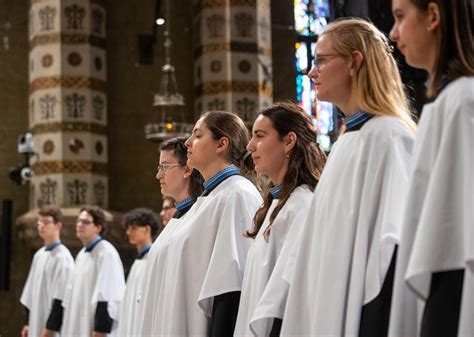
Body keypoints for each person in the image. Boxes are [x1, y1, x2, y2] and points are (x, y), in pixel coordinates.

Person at [261, 18, 416, 337]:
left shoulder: (389, 136)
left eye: (320, 60)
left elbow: (393, 249)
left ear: (354, 62)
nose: (311, 71)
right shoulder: (348, 141)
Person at [388, 1, 474, 336]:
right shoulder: (449, 102)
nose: (393, 34)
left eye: (400, 17)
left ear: (433, 16)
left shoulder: (461, 103)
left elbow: (456, 245)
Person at [138, 111, 262, 336]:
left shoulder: (237, 193)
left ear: (221, 144)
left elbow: (233, 286)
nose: (187, 142)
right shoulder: (206, 201)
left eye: (197, 135)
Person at [233, 102, 326, 336]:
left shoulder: (302, 204)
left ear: (289, 141)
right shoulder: (277, 203)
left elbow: (288, 294)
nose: (250, 145)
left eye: (260, 136)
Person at [137, 137, 204, 334]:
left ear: (187, 169)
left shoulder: (198, 218)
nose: (158, 175)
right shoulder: (177, 220)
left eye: (165, 167)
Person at [61, 206, 125, 337]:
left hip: (96, 330)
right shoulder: (81, 255)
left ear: (98, 227)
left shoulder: (106, 253)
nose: (79, 225)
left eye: (85, 222)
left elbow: (107, 295)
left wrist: (100, 330)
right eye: (78, 221)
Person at [20, 207, 74, 337]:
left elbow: (61, 298)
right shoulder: (39, 255)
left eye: (46, 222)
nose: (41, 226)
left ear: (58, 226)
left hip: (52, 329)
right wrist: (27, 323)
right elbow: (30, 293)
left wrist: (50, 328)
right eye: (39, 222)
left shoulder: (63, 258)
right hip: (35, 324)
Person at [117, 208, 160, 337]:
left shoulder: (153, 258)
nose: (128, 232)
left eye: (133, 228)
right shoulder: (138, 260)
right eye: (128, 228)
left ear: (146, 229)